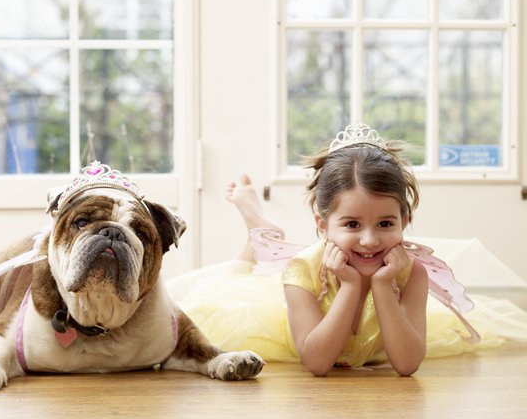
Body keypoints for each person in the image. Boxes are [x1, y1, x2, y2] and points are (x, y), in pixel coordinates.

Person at [168, 123, 527, 376]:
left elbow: (406, 365)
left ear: (405, 219)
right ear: (323, 226)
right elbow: (318, 363)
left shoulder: (410, 272)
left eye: (386, 224)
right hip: (301, 315)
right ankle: (259, 232)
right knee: (233, 284)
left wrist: (384, 287)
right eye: (352, 224)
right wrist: (352, 287)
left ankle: (264, 236)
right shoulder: (301, 271)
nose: (370, 240)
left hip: (380, 303)